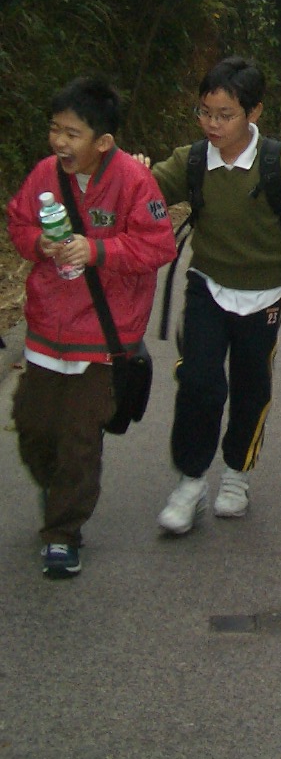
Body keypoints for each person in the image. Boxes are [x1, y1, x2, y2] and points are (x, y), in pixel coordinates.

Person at [150, 57, 281, 535]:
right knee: (198, 381)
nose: (212, 124)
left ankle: (237, 472)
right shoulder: (193, 160)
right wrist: (127, 173)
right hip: (207, 285)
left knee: (252, 386)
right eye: (204, 112)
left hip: (265, 296)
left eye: (224, 115)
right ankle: (190, 482)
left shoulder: (277, 163)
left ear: (253, 113)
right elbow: (142, 193)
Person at [6, 77, 177, 577]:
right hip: (45, 330)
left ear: (103, 142)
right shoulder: (45, 174)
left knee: (79, 437)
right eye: (54, 129)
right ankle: (59, 489)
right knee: (34, 427)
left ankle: (63, 533)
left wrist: (97, 250)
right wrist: (39, 244)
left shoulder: (133, 181)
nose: (59, 141)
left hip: (103, 337)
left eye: (72, 133)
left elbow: (158, 246)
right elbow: (19, 223)